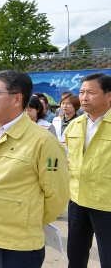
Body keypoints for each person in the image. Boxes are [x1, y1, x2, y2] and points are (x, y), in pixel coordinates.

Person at [0, 70, 70, 268]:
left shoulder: (44, 141)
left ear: (17, 99)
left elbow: (57, 197)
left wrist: (26, 219)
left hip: (18, 244)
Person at [65, 72, 111, 268]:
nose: (83, 97)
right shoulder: (73, 126)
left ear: (109, 95)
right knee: (75, 257)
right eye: (81, 92)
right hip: (77, 202)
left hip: (107, 205)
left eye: (91, 92)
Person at [52, 93, 80, 157]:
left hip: (72, 156)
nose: (64, 106)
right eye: (63, 103)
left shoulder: (79, 121)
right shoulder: (56, 120)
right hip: (56, 154)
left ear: (75, 105)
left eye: (68, 103)